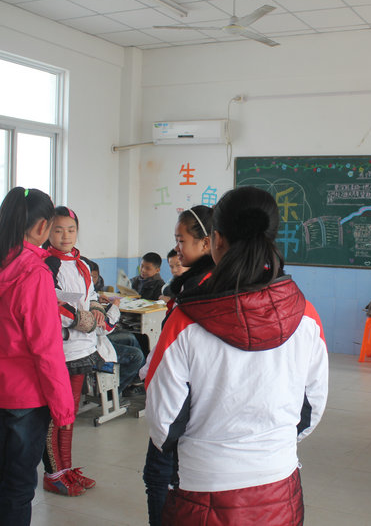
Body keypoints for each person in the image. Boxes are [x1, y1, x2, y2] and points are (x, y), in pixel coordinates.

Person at [143, 186, 328, 526]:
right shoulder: (307, 316)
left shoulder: (184, 322)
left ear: (216, 240)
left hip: (204, 491)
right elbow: (311, 409)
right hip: (280, 489)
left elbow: (163, 425)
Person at [0, 187, 74, 526]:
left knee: (2, 474)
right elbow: (46, 347)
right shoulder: (34, 272)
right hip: (26, 395)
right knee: (19, 483)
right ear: (42, 227)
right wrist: (63, 406)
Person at [42, 206, 141, 495]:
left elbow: (91, 296)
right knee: (57, 415)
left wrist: (97, 309)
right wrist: (83, 320)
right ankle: (53, 473)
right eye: (58, 230)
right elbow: (49, 303)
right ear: (47, 231)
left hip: (81, 349)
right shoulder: (46, 263)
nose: (65, 236)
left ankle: (67, 468)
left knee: (70, 413)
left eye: (71, 230)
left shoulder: (82, 263)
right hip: (59, 351)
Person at [142, 204, 215, 526]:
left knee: (159, 475)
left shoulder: (198, 291)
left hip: (182, 402)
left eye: (181, 240)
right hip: (195, 400)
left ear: (206, 243)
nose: (176, 248)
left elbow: (173, 352)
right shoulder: (195, 284)